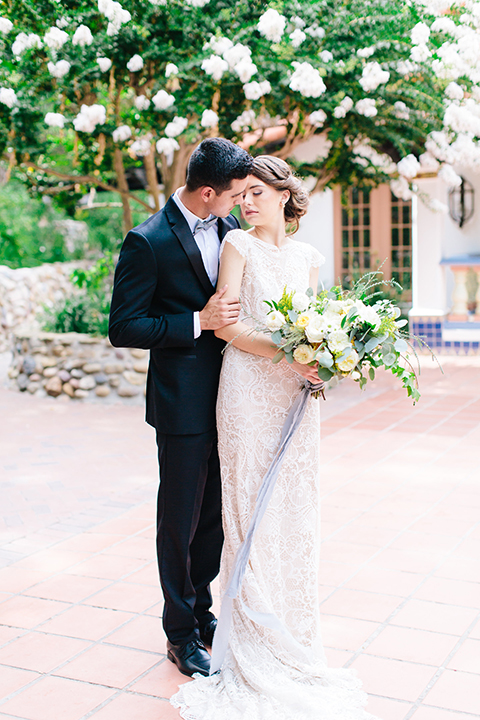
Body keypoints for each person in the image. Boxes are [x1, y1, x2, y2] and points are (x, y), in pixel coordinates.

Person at [171, 156, 378, 719]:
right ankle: (252, 645)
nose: (247, 202)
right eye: (243, 194)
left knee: (292, 509)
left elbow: (313, 320)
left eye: (259, 192)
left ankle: (291, 631)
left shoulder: (309, 257)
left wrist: (322, 359)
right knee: (246, 510)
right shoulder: (238, 247)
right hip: (246, 393)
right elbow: (229, 325)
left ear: (286, 195)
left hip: (293, 394)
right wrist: (290, 349)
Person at [108, 138, 253, 678]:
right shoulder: (146, 241)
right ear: (208, 190)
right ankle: (178, 634)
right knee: (180, 520)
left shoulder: (229, 228)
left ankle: (202, 612)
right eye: (234, 193)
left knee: (214, 518)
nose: (240, 203)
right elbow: (123, 327)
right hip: (181, 404)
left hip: (233, 396)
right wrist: (197, 322)